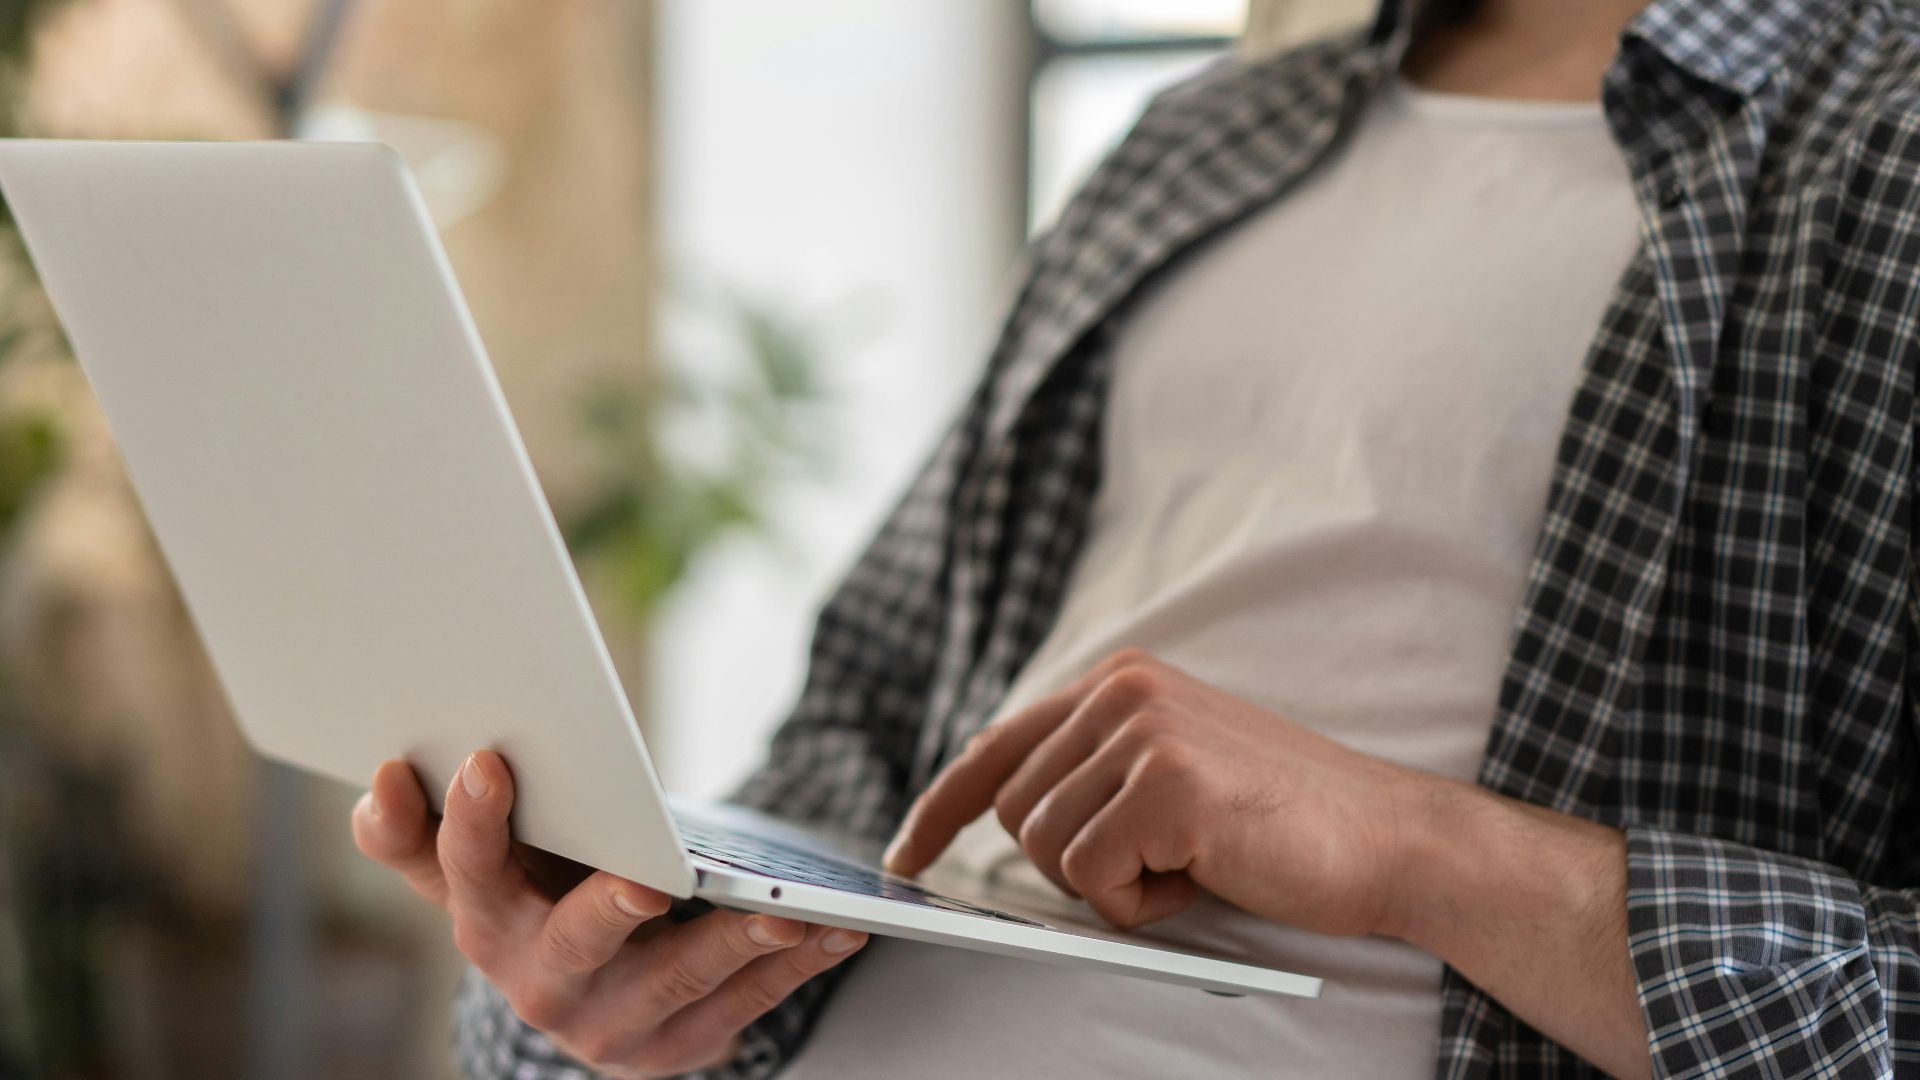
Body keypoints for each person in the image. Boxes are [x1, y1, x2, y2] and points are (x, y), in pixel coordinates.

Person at [351, 0, 1920, 1075]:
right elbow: (849, 748)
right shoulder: (1198, 141)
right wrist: (604, 982)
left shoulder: (1881, 146)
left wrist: (1420, 851)